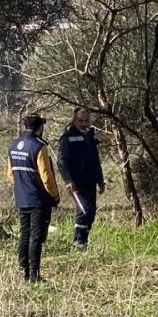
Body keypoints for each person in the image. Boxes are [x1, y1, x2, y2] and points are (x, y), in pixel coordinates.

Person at [7, 114, 60, 282]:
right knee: (36, 237)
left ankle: (23, 272)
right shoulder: (39, 147)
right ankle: (34, 276)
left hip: (21, 197)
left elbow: (10, 174)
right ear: (40, 128)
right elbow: (46, 176)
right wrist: (54, 195)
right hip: (38, 199)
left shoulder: (13, 145)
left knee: (24, 234)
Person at [57, 107, 105, 250]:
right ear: (74, 119)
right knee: (84, 210)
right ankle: (79, 242)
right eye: (80, 120)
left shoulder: (89, 136)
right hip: (76, 182)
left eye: (86, 120)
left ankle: (83, 241)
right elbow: (61, 161)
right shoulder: (67, 138)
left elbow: (95, 160)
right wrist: (68, 180)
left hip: (90, 180)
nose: (83, 123)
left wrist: (100, 180)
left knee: (91, 213)